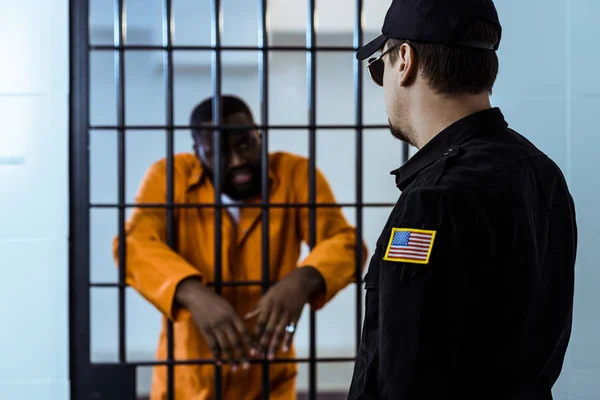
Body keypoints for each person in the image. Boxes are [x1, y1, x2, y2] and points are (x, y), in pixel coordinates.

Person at [348, 0, 577, 399]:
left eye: (378, 66)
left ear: (404, 60)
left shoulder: (433, 200)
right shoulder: (541, 172)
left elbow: (406, 378)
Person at [113, 95, 367, 400]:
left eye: (245, 144)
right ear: (198, 154)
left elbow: (348, 244)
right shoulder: (169, 176)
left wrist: (304, 279)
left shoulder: (294, 174)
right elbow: (132, 244)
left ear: (259, 135)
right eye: (218, 152)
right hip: (186, 382)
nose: (236, 160)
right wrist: (192, 293)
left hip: (269, 379)